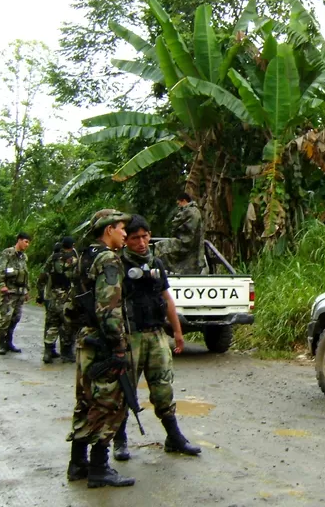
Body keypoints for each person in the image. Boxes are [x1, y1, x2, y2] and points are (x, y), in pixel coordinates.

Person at [111, 214, 201, 462]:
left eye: (145, 236)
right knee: (125, 390)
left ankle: (174, 438)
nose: (141, 242)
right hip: (130, 337)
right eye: (134, 238)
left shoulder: (156, 263)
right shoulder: (117, 265)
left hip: (156, 334)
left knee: (163, 387)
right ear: (126, 240)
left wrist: (178, 332)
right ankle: (119, 441)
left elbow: (166, 298)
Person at [66, 209, 136, 488]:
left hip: (86, 339)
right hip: (103, 342)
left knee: (84, 400)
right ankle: (99, 467)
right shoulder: (108, 259)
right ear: (108, 230)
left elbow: (70, 307)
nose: (125, 234)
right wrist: (118, 346)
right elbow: (109, 308)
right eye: (121, 229)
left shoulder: (84, 257)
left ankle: (77, 463)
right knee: (108, 403)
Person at [37, 237, 79, 364]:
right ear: (72, 245)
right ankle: (66, 353)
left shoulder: (53, 258)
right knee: (68, 324)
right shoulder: (73, 260)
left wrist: (40, 293)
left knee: (51, 324)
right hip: (66, 296)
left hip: (52, 295)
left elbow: (43, 275)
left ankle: (48, 351)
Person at [0, 232, 31, 355]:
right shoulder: (8, 254)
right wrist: (2, 285)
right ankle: (2, 343)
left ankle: (9, 342)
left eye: (28, 242)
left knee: (16, 318)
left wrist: (27, 290)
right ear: (19, 240)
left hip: (20, 292)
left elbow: (26, 274)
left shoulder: (23, 257)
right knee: (6, 318)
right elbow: (0, 270)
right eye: (26, 241)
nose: (27, 244)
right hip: (9, 291)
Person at [157, 192, 205, 274]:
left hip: (186, 242)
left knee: (159, 246)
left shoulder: (188, 211)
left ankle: (163, 272)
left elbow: (174, 224)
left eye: (179, 203)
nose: (178, 206)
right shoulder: (196, 210)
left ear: (184, 201)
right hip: (193, 242)